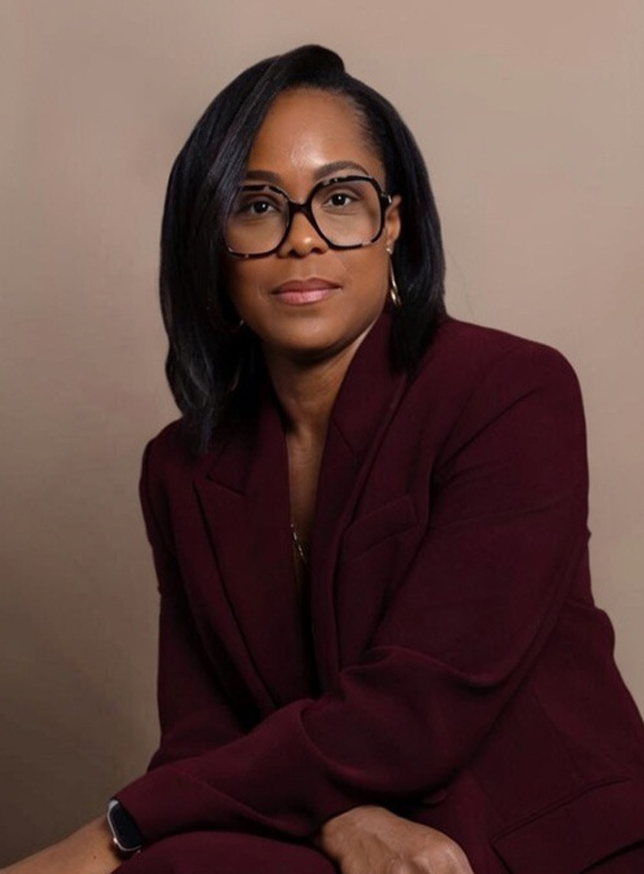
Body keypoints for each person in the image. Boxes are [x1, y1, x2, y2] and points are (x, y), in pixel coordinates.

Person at [4, 43, 644, 874]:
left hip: (541, 840)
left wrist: (116, 831)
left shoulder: (511, 392)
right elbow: (206, 736)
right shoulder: (182, 468)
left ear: (393, 224)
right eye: (257, 205)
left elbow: (421, 706)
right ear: (212, 239)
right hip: (336, 832)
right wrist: (341, 822)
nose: (301, 239)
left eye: (340, 198)